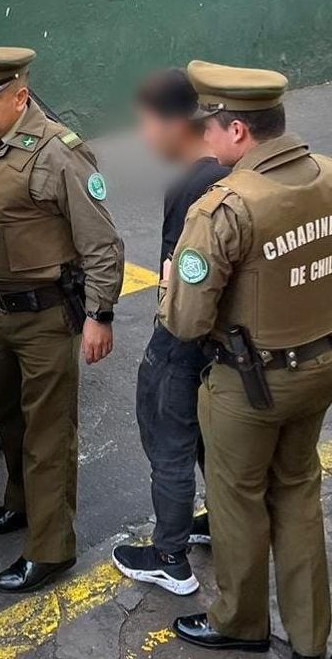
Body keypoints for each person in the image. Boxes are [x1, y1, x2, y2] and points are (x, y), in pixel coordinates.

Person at [162, 60, 332, 659]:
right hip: (318, 369)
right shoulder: (328, 177)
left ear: (237, 132)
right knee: (297, 492)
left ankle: (240, 623)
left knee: (236, 500)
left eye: (209, 125)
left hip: (248, 382)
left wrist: (166, 288)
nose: (202, 138)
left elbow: (185, 321)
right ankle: (311, 639)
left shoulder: (225, 207)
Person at [0, 45, 125, 593]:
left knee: (48, 435)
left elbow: (102, 244)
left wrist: (100, 314)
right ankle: (21, 504)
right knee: (10, 419)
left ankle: (52, 550)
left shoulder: (58, 154)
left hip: (48, 315)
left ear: (19, 96)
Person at [111, 69, 228, 596]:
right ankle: (221, 528)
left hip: (184, 337)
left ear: (175, 123)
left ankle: (170, 556)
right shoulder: (233, 170)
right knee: (211, 443)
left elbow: (175, 278)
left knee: (170, 442)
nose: (144, 136)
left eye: (146, 123)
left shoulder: (191, 186)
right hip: (228, 343)